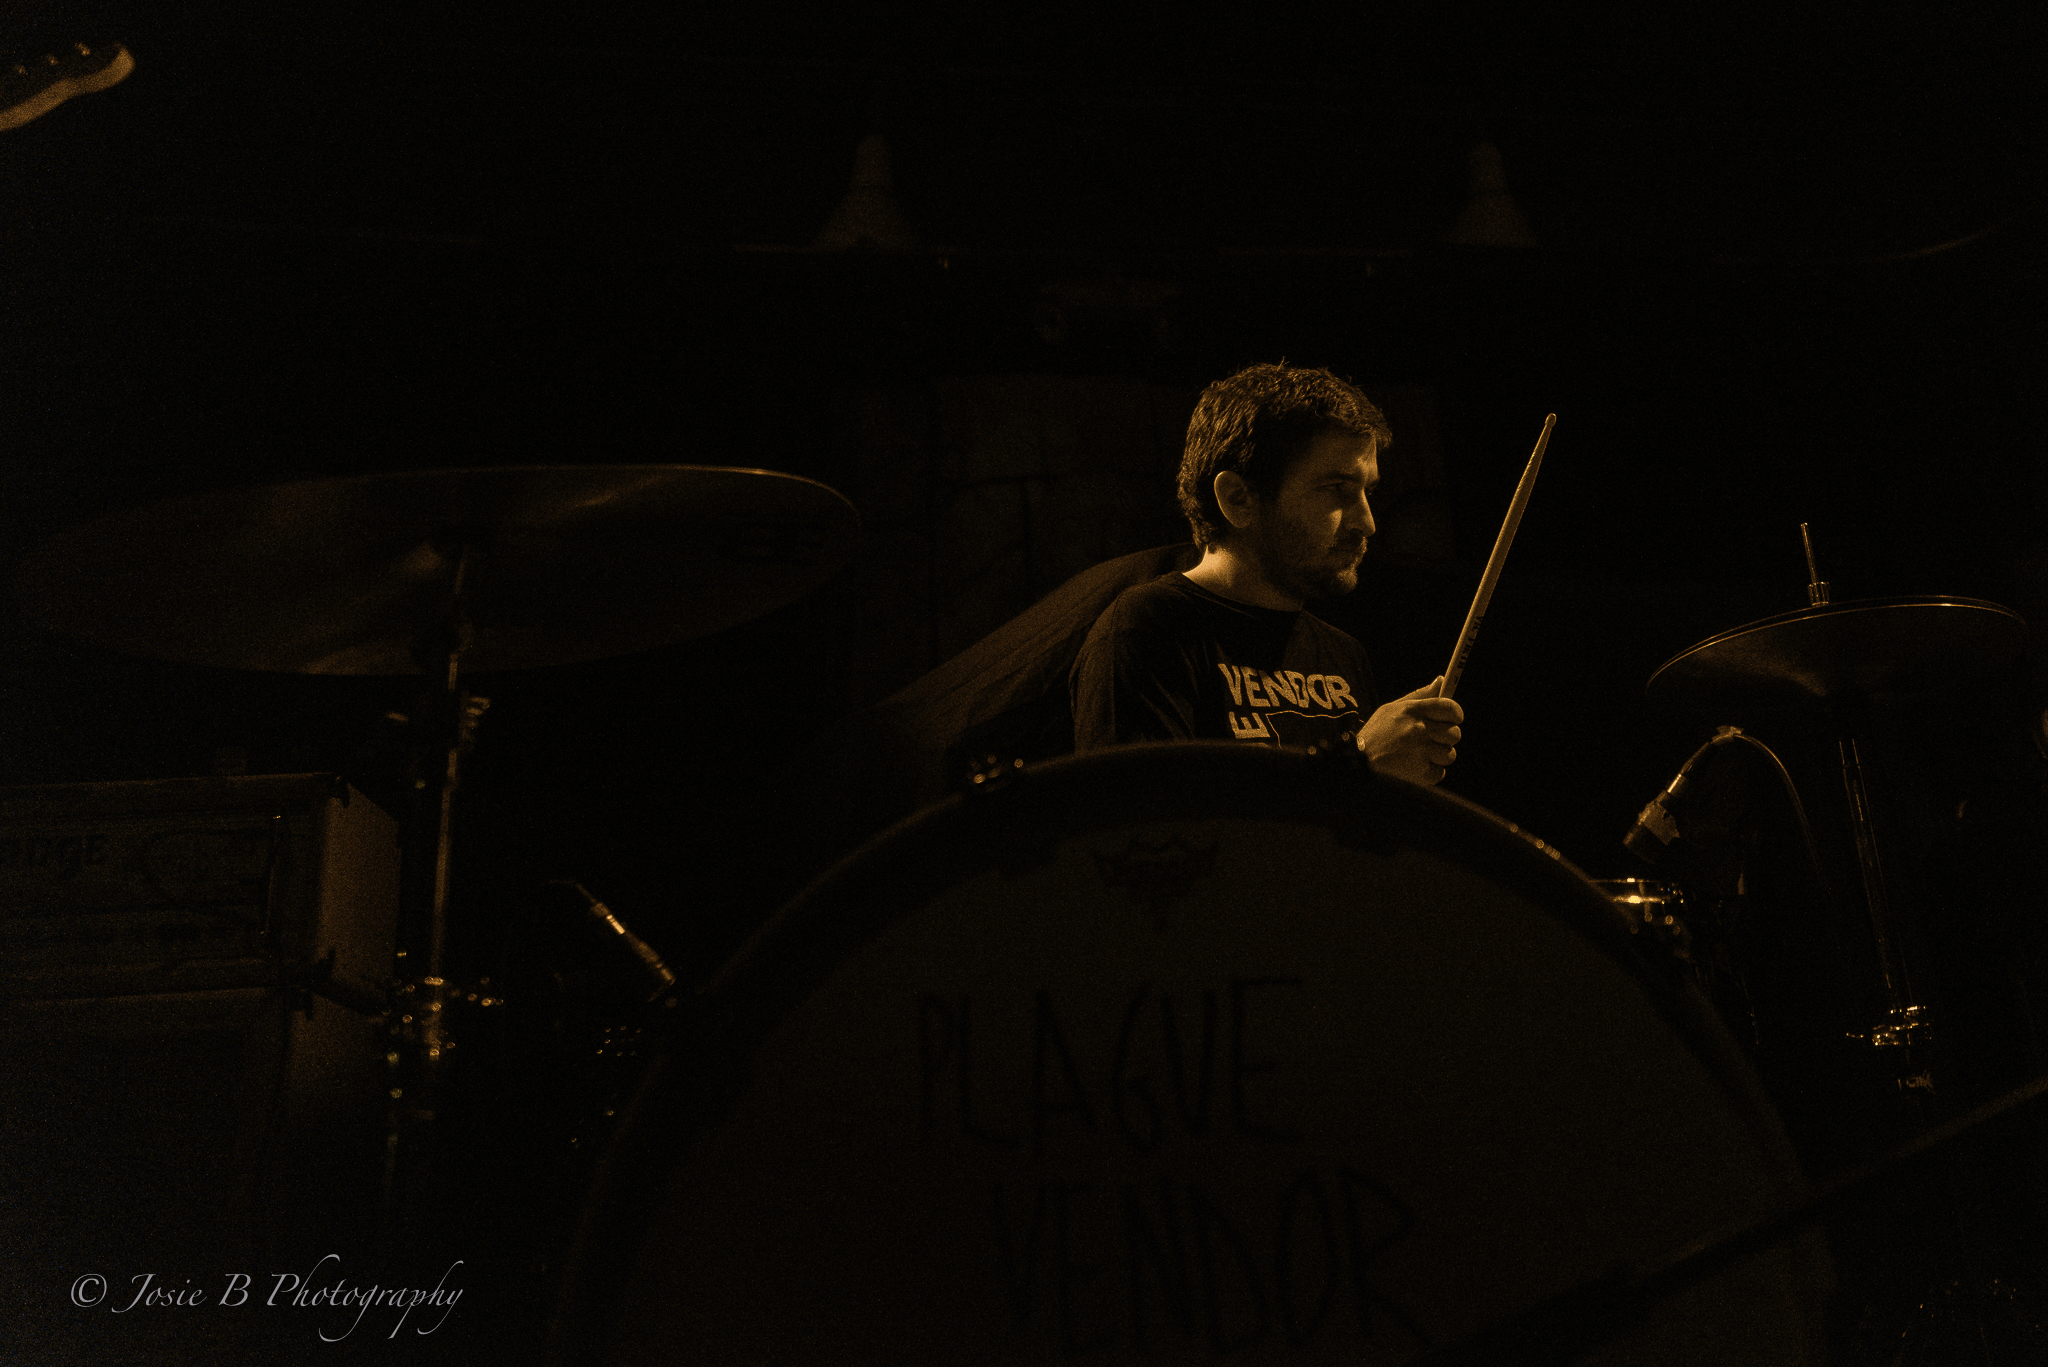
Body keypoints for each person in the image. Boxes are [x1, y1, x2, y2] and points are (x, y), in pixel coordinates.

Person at [1070, 362, 1463, 785]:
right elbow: (1147, 821)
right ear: (1238, 499)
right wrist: (1360, 761)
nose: (1366, 523)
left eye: (1367, 490)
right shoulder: (1148, 630)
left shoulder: (1344, 653)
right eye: (1337, 489)